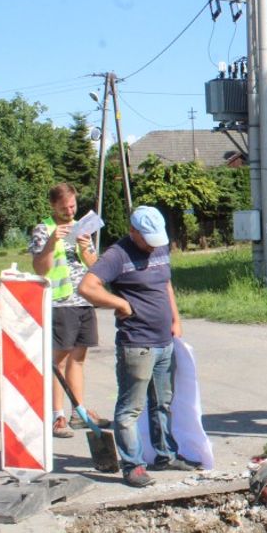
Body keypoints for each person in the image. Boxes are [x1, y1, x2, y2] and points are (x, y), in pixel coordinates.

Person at [78, 205, 195, 488]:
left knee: (163, 403)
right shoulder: (116, 255)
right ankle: (133, 466)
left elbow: (166, 285)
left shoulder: (160, 248)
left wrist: (176, 319)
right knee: (130, 409)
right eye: (148, 239)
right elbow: (87, 287)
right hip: (137, 344)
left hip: (164, 341)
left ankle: (166, 454)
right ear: (133, 232)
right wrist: (119, 303)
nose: (154, 245)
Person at [28, 182, 105, 439]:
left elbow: (95, 266)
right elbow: (40, 268)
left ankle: (78, 411)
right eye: (64, 208)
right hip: (60, 303)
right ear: (53, 206)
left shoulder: (82, 227)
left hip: (83, 300)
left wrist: (85, 248)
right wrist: (52, 242)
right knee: (58, 362)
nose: (70, 212)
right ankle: (57, 416)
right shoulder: (43, 230)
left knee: (79, 359)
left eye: (73, 206)